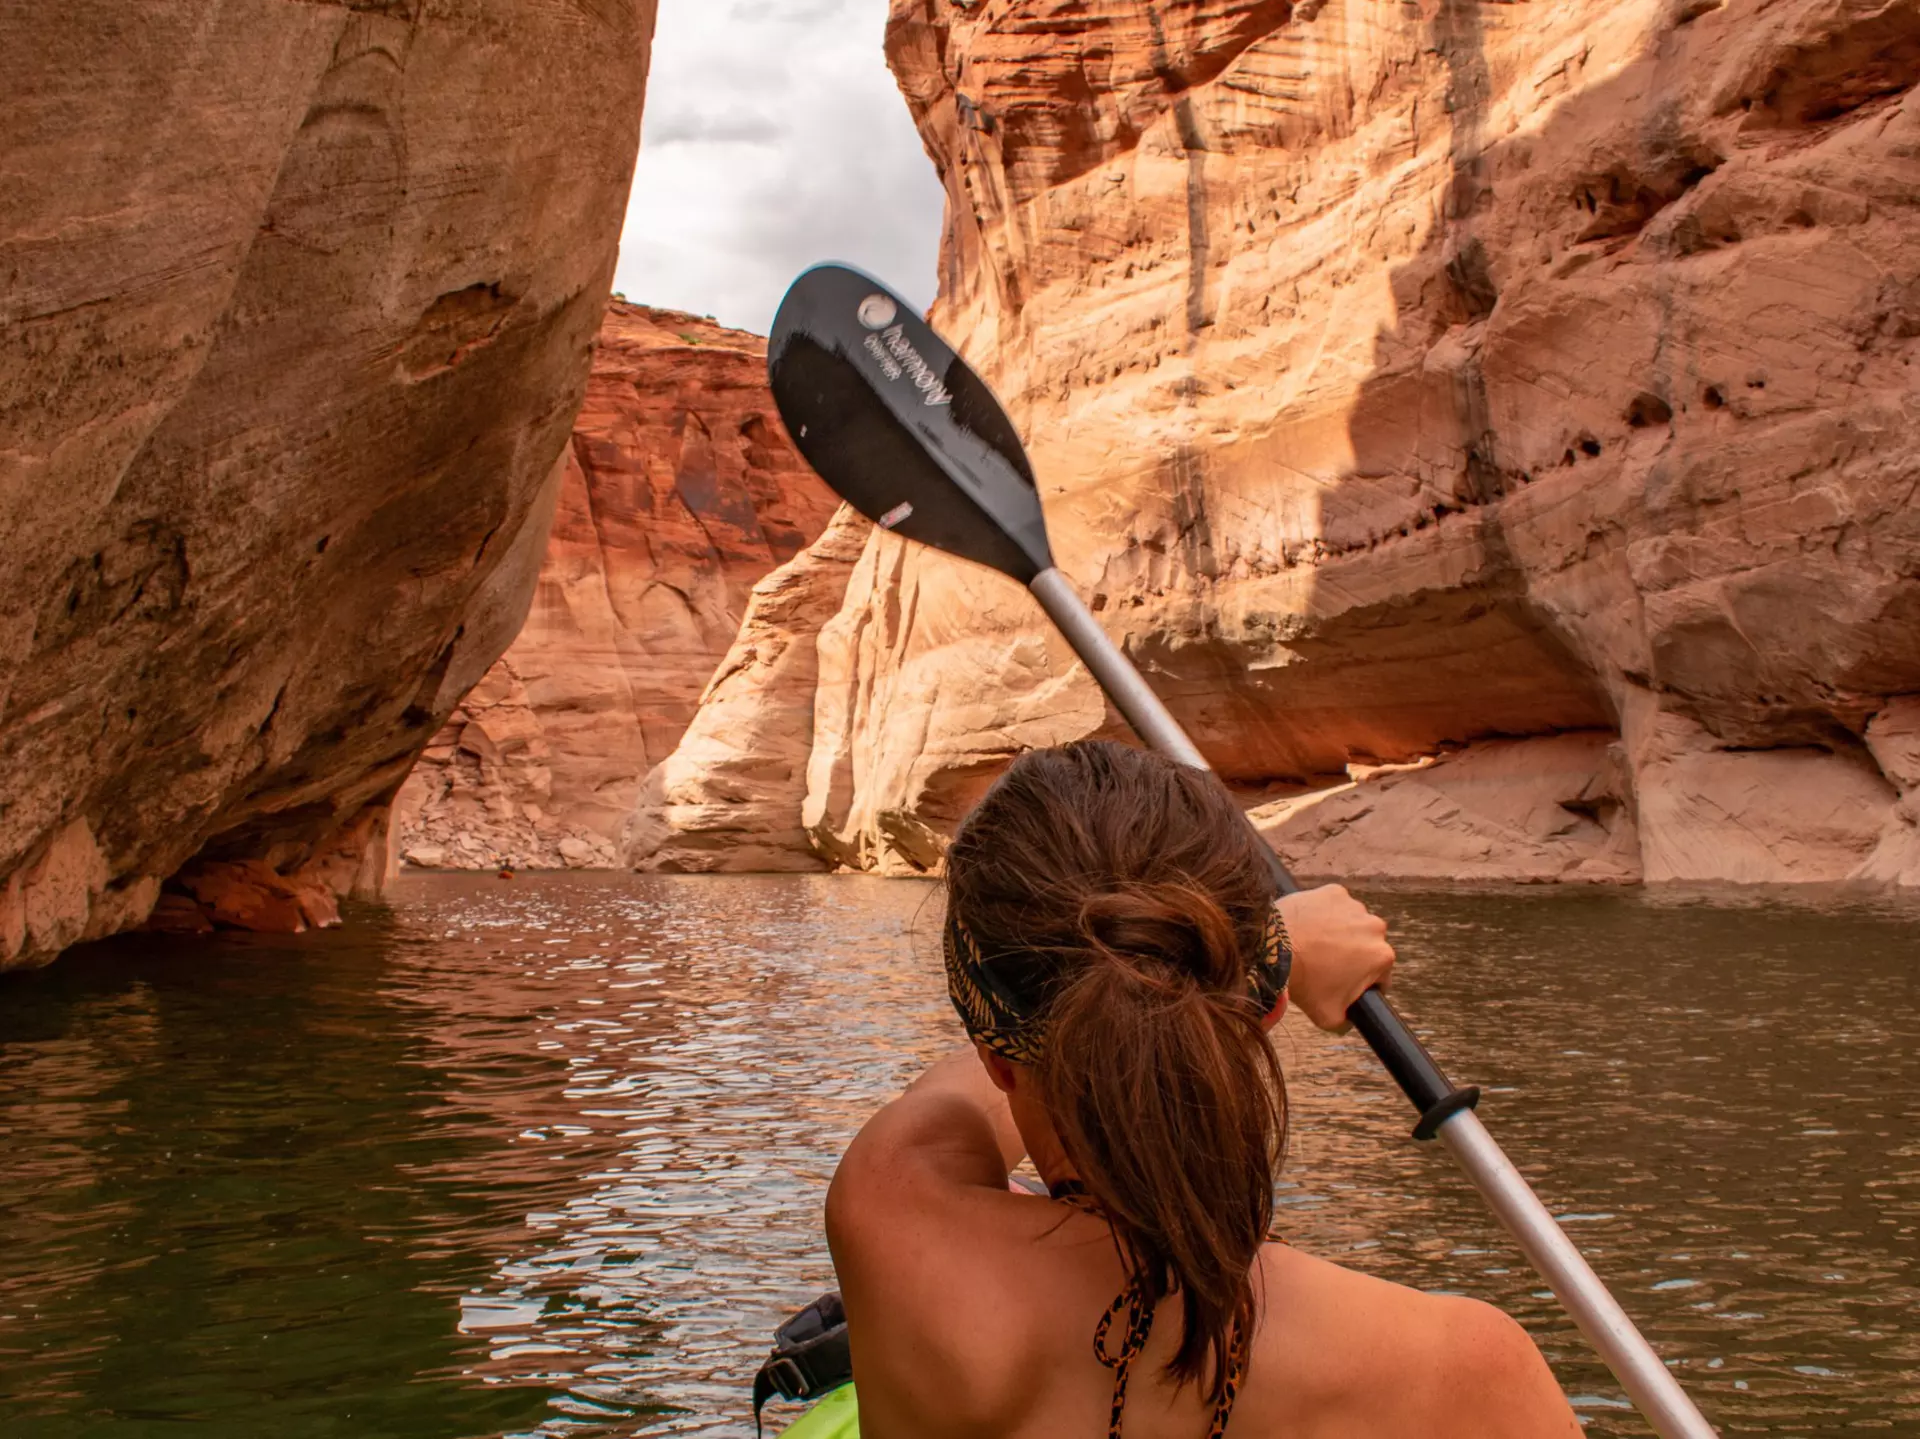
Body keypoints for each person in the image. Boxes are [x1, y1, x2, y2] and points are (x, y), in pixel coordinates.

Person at [825, 741, 1580, 1438]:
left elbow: (990, 1066)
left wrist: (1270, 946)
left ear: (996, 1054)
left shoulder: (888, 1216)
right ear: (1265, 1008)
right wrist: (1265, 953)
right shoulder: (1465, 1374)